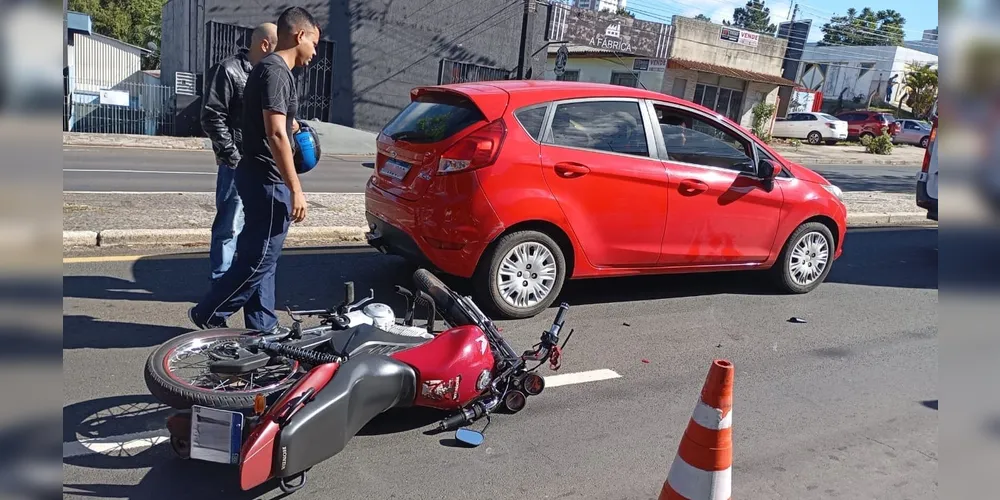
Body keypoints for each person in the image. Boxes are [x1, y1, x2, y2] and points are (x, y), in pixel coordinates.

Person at [189, 7, 321, 332]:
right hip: (267, 179)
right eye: (314, 44)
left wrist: (291, 129)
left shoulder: (265, 70)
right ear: (299, 35)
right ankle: (209, 313)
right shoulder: (276, 72)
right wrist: (296, 188)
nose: (315, 53)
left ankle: (262, 327)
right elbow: (275, 134)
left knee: (263, 257)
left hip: (255, 174)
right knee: (259, 259)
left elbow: (274, 126)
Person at [200, 22, 278, 284]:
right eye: (278, 48)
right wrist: (233, 157)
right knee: (229, 225)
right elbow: (212, 117)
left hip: (261, 163)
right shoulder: (229, 70)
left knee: (252, 226)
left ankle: (240, 282)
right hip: (237, 162)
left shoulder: (267, 74)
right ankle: (220, 285)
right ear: (264, 44)